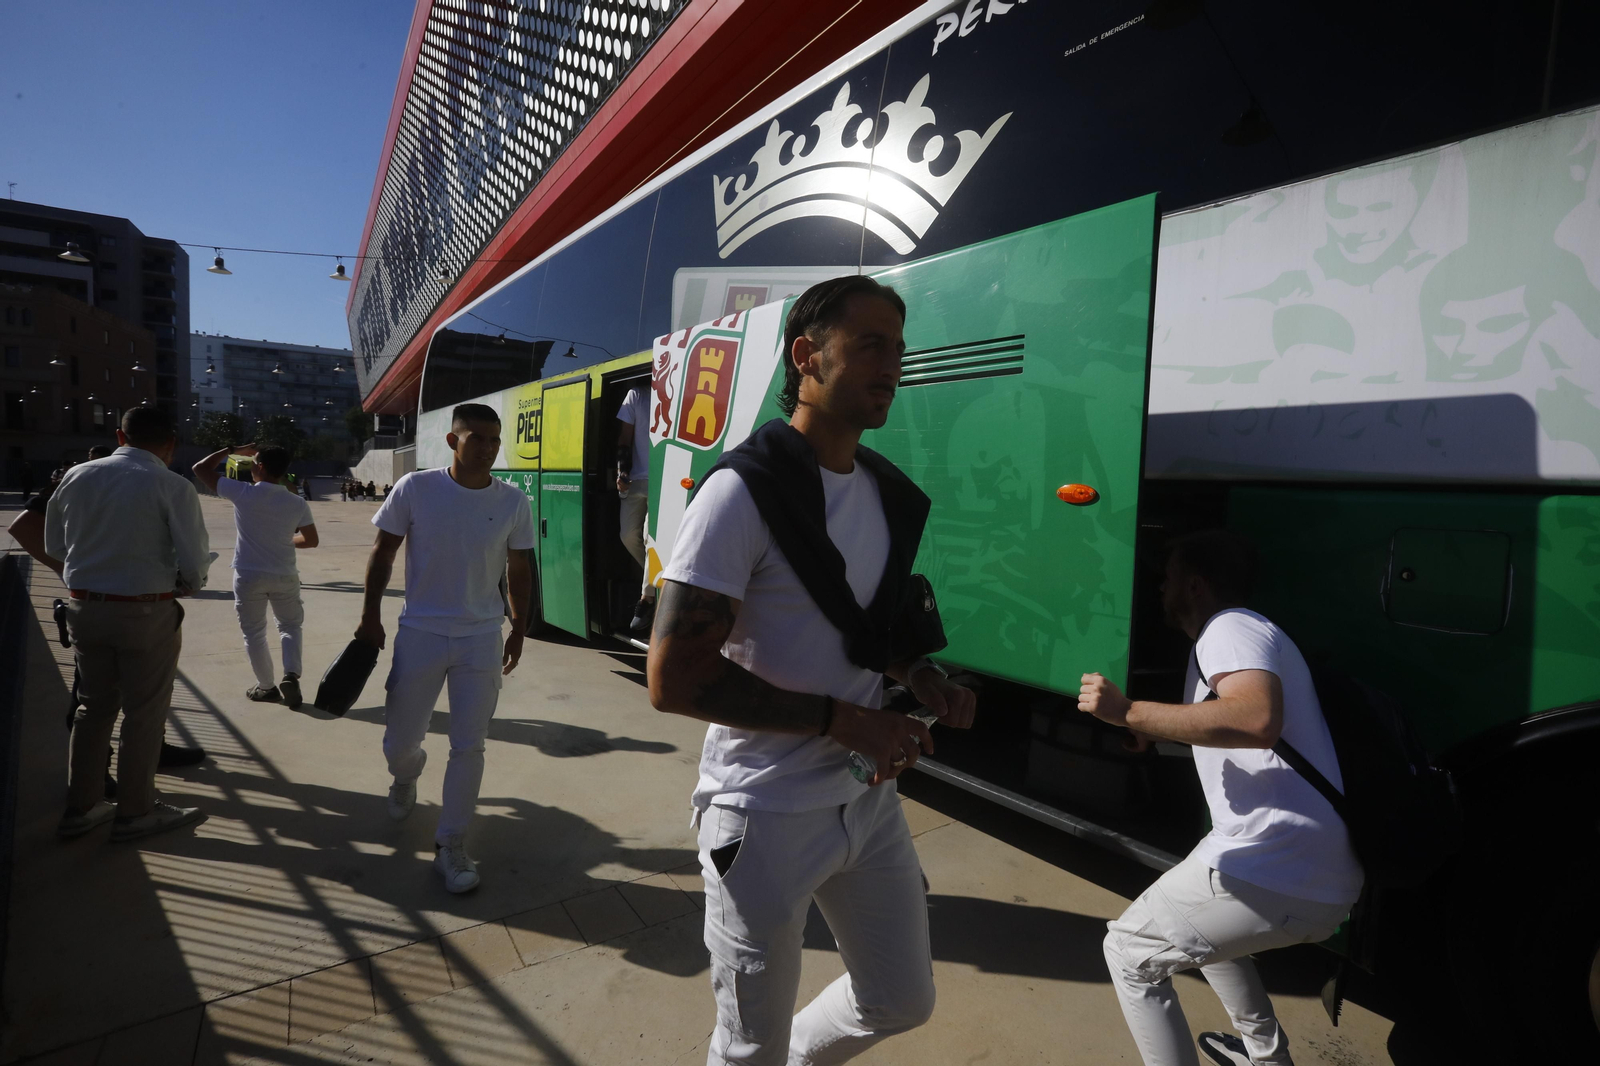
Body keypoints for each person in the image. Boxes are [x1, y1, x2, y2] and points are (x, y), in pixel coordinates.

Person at [648, 276, 977, 1066]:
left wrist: (921, 676)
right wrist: (847, 719)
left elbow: (871, 628)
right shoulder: (741, 494)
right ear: (807, 355)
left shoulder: (885, 493)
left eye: (897, 348)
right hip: (761, 814)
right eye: (869, 345)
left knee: (901, 998)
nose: (890, 365)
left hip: (865, 803)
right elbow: (675, 680)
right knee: (745, 1044)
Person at [1079, 530, 1363, 1066]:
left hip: (1278, 862)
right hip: (1306, 868)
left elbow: (1254, 718)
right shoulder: (1233, 637)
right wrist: (1156, 731)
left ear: (1195, 584)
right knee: (1201, 938)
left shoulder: (1228, 627)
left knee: (1128, 952)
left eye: (1168, 578)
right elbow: (1231, 727)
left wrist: (1129, 712)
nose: (1160, 588)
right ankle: (1265, 1057)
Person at [357, 403, 535, 893]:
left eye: (495, 440)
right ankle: (406, 774)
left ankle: (451, 844)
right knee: (399, 743)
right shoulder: (416, 488)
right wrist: (369, 616)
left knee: (469, 745)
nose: (488, 448)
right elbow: (383, 552)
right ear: (453, 441)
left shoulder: (514, 501)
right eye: (477, 438)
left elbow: (519, 569)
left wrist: (518, 627)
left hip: (481, 638)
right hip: (422, 634)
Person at [45, 408, 211, 842]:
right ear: (170, 443)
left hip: (85, 607)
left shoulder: (77, 475)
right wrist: (187, 582)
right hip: (144, 611)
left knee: (92, 707)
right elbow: (193, 562)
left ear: (120, 435)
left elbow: (54, 544)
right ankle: (135, 811)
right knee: (144, 713)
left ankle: (83, 805)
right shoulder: (171, 485)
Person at [193, 443, 319, 708]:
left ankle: (266, 687)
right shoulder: (297, 502)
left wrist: (232, 449)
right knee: (290, 626)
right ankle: (291, 675)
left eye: (253, 462)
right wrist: (283, 541)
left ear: (260, 466)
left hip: (249, 574)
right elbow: (311, 540)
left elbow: (200, 469)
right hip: (284, 574)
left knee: (254, 633)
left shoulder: (243, 493)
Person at [614, 382, 657, 634]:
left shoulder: (680, 391)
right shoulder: (637, 395)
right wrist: (622, 470)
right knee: (627, 535)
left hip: (662, 478)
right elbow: (624, 439)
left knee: (649, 537)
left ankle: (647, 598)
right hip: (636, 479)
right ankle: (656, 579)